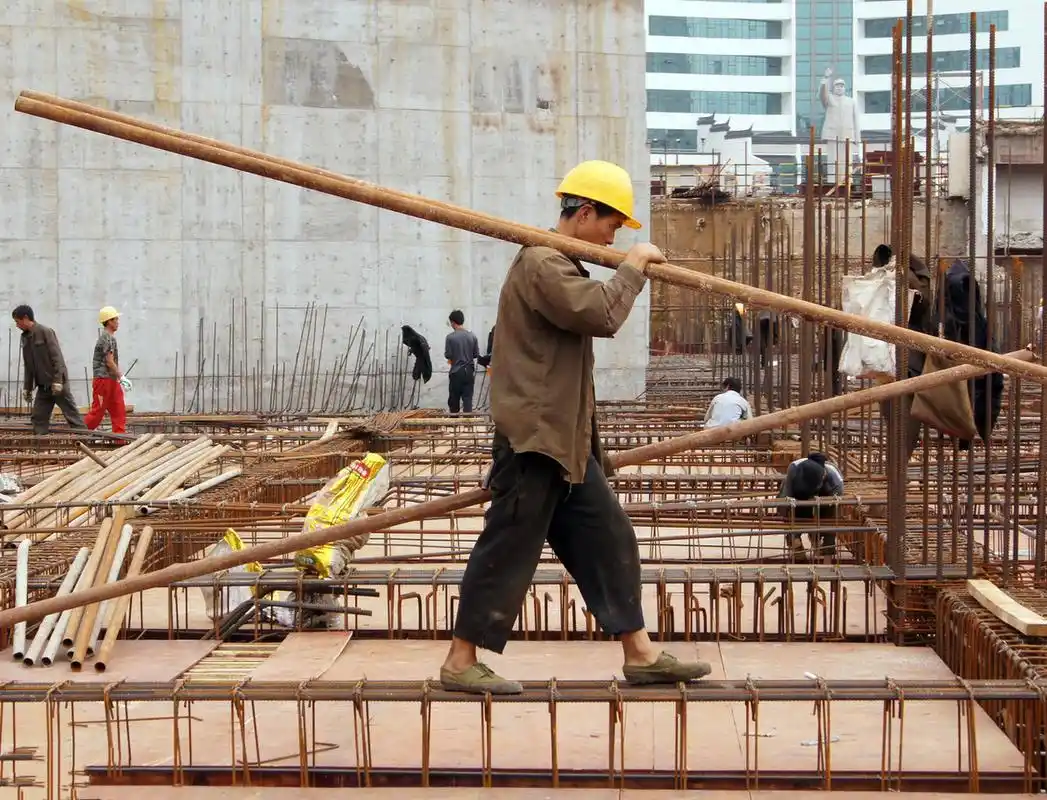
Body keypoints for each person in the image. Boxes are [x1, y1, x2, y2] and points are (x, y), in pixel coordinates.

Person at [439, 160, 712, 694]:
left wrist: (591, 446)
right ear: (584, 213)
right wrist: (632, 266)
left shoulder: (561, 262)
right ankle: (459, 660)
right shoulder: (543, 263)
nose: (614, 234)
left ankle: (640, 653)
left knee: (609, 538)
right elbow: (602, 316)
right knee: (508, 546)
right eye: (612, 223)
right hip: (535, 441)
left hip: (564, 443)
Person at [12, 305, 88, 435]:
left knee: (72, 416)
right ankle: (40, 447)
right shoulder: (25, 337)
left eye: (17, 321)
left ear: (25, 318)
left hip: (57, 383)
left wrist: (58, 380)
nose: (17, 325)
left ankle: (85, 441)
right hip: (43, 386)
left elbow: (57, 357)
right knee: (38, 418)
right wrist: (27, 387)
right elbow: (28, 365)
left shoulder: (45, 332)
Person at [778, 451, 844, 563]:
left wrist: (827, 549)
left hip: (826, 494)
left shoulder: (835, 482)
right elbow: (785, 499)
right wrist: (791, 531)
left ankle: (821, 545)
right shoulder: (794, 469)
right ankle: (796, 545)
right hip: (800, 494)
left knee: (827, 517)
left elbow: (832, 517)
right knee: (798, 511)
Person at [85, 306, 132, 435]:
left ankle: (119, 439)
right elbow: (109, 361)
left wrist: (118, 378)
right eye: (116, 319)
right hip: (103, 380)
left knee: (118, 409)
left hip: (111, 380)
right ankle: (79, 434)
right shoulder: (105, 338)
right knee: (98, 412)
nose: (118, 322)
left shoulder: (110, 338)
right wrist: (121, 377)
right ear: (109, 321)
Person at [444, 310, 480, 413]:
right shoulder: (472, 336)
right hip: (469, 372)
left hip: (456, 372)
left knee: (454, 401)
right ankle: (468, 426)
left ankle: (454, 425)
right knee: (467, 400)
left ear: (453, 322)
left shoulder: (450, 337)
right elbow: (475, 354)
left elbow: (448, 355)